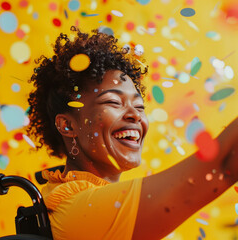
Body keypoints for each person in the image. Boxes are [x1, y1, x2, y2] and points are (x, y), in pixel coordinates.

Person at [26, 26, 238, 240]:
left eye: (139, 107)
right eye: (113, 102)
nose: (135, 116)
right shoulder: (79, 209)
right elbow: (222, 165)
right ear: (67, 126)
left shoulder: (70, 198)